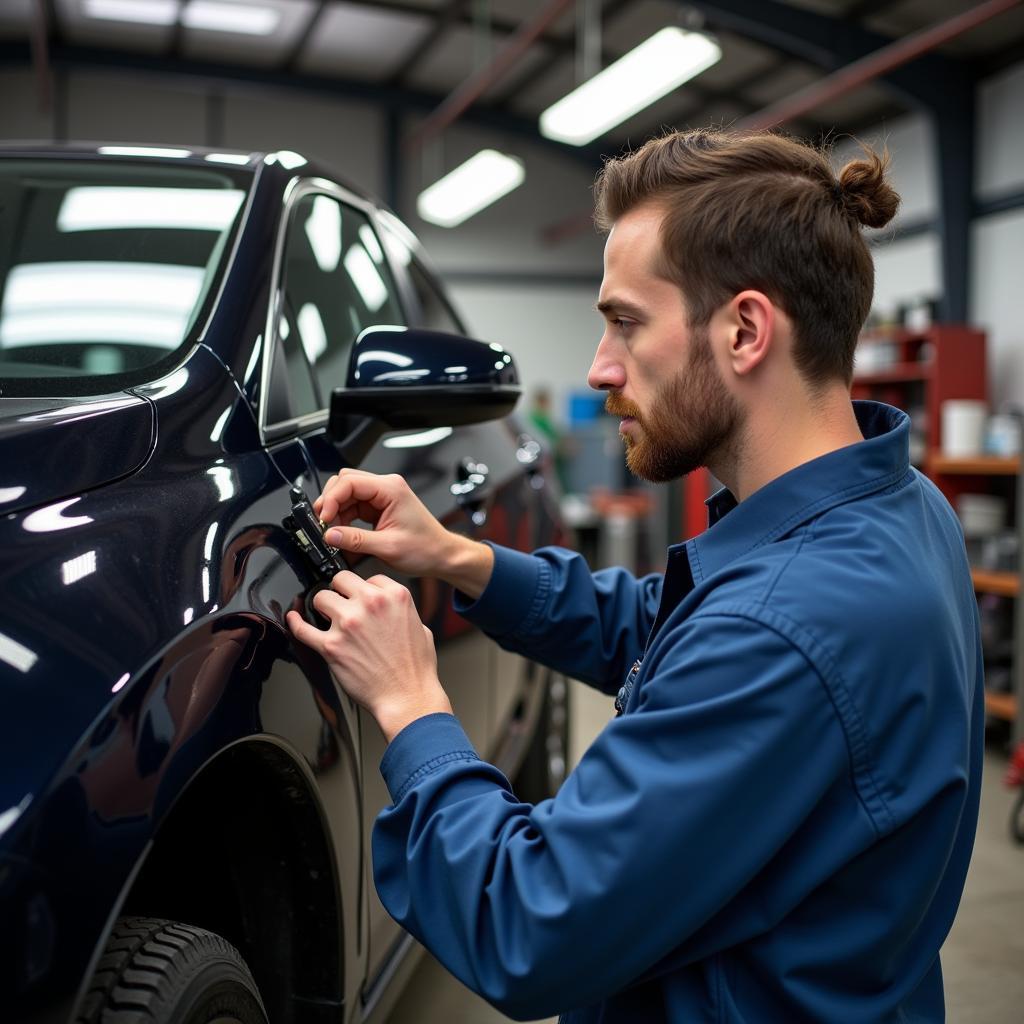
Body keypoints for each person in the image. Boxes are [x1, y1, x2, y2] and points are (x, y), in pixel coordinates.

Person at [286, 129, 983, 1023]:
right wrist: (458, 559)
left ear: (744, 329)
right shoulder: (897, 506)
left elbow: (527, 923)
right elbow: (674, 631)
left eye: (625, 321)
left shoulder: (786, 624)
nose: (599, 368)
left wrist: (413, 705)